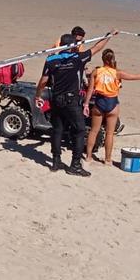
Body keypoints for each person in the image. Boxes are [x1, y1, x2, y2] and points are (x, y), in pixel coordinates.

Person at [82, 48, 140, 167]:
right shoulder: (117, 73)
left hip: (99, 102)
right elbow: (136, 77)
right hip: (112, 102)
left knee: (94, 131)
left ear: (102, 59)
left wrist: (86, 104)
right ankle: (107, 160)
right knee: (110, 133)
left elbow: (90, 90)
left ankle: (88, 157)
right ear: (113, 59)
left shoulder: (96, 72)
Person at [35, 33, 94, 176]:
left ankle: (56, 161)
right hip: (71, 101)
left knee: (57, 129)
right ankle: (75, 165)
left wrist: (37, 95)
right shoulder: (78, 58)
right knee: (80, 130)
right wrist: (109, 36)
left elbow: (43, 81)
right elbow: (96, 49)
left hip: (56, 99)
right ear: (73, 46)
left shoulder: (51, 59)